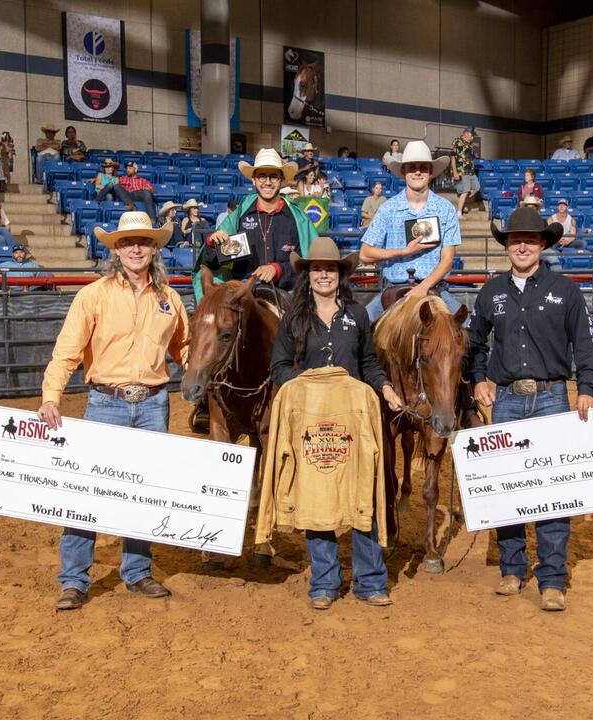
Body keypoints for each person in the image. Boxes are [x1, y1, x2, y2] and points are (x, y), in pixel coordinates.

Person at [37, 211, 189, 611]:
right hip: (106, 403)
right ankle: (74, 579)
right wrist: (51, 395)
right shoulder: (93, 295)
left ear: (155, 247)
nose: (135, 248)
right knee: (86, 492)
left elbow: (184, 348)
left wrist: (206, 371)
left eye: (143, 241)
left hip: (154, 403)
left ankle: (137, 571)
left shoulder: (170, 300)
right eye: (126, 242)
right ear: (116, 250)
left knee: (143, 493)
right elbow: (67, 351)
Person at [468, 206, 593, 612]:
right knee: (507, 487)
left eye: (529, 239)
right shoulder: (491, 293)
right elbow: (473, 344)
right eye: (514, 239)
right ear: (506, 245)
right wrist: (477, 381)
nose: (522, 245)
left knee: (553, 491)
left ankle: (552, 578)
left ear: (543, 244)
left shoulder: (567, 290)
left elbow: (586, 342)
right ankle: (512, 568)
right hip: (507, 398)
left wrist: (587, 387)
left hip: (551, 397)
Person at [266, 237, 402, 610]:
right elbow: (279, 368)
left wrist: (385, 387)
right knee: (318, 495)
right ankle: (324, 581)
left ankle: (369, 580)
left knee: (363, 494)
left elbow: (369, 363)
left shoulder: (358, 316)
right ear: (307, 275)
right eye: (316, 268)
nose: (323, 274)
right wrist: (305, 391)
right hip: (312, 421)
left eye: (330, 268)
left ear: (341, 275)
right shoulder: (294, 318)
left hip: (352, 421)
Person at [359, 140, 462, 323]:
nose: (417, 171)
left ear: (430, 173)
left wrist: (424, 286)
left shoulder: (446, 209)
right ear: (404, 172)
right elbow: (365, 254)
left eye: (423, 167)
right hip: (393, 289)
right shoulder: (387, 209)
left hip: (435, 289)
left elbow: (447, 260)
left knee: (467, 331)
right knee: (359, 327)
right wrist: (404, 251)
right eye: (412, 167)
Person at [194, 147, 316, 299]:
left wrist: (278, 269)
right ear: (253, 179)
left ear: (282, 180)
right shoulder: (239, 217)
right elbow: (211, 264)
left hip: (286, 294)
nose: (268, 182)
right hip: (243, 295)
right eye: (262, 177)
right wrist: (213, 245)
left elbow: (309, 265)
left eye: (274, 177)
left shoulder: (298, 219)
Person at [541, 198, 587, 271]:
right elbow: (550, 232)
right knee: (552, 245)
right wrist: (559, 239)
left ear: (567, 207)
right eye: (560, 205)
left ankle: (580, 266)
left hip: (568, 241)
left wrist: (568, 241)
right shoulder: (551, 219)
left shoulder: (571, 220)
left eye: (563, 205)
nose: (561, 207)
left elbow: (573, 235)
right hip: (556, 240)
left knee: (583, 244)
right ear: (557, 207)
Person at [451, 126, 479, 215]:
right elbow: (453, 157)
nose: (473, 137)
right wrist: (455, 172)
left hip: (470, 171)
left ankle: (462, 200)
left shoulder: (470, 145)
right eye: (472, 135)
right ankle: (459, 212)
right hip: (462, 171)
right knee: (466, 191)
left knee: (477, 188)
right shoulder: (457, 142)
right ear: (466, 133)